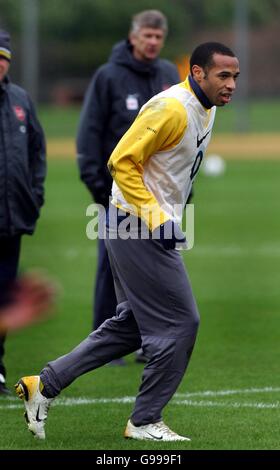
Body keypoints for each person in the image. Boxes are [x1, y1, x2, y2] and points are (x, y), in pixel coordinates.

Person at [15, 42, 239, 441]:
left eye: (235, 76)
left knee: (133, 325)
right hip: (134, 224)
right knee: (182, 322)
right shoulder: (172, 107)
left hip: (145, 223)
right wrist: (158, 219)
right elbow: (120, 161)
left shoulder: (208, 107)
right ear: (198, 73)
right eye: (224, 75)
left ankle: (44, 384)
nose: (231, 84)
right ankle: (145, 420)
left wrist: (173, 211)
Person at [76, 10, 180, 364]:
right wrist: (97, 187)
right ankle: (106, 344)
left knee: (160, 265)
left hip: (162, 199)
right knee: (111, 268)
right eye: (146, 36)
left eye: (158, 37)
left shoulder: (168, 74)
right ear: (133, 37)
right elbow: (89, 133)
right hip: (117, 195)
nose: (152, 42)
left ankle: (150, 338)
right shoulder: (108, 77)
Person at [0, 30, 46, 395]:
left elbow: (36, 153)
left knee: (4, 294)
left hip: (12, 219)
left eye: (3, 58)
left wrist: (35, 197)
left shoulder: (19, 100)